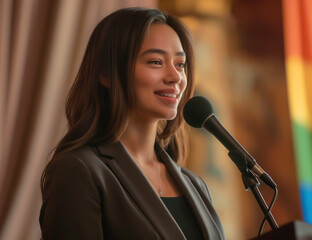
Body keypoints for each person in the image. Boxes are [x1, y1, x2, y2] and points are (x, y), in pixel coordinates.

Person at [39, 7, 224, 240]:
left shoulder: (195, 184)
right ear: (106, 73)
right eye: (156, 62)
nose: (176, 77)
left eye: (180, 64)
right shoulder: (78, 170)